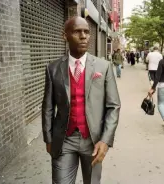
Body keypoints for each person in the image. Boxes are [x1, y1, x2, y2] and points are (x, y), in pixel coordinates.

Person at [42, 16, 121, 184]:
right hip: (64, 140)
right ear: (65, 36)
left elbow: (113, 106)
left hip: (93, 140)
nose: (84, 36)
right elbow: (48, 107)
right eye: (77, 32)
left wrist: (106, 140)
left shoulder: (103, 67)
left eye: (86, 32)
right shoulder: (53, 68)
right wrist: (48, 139)